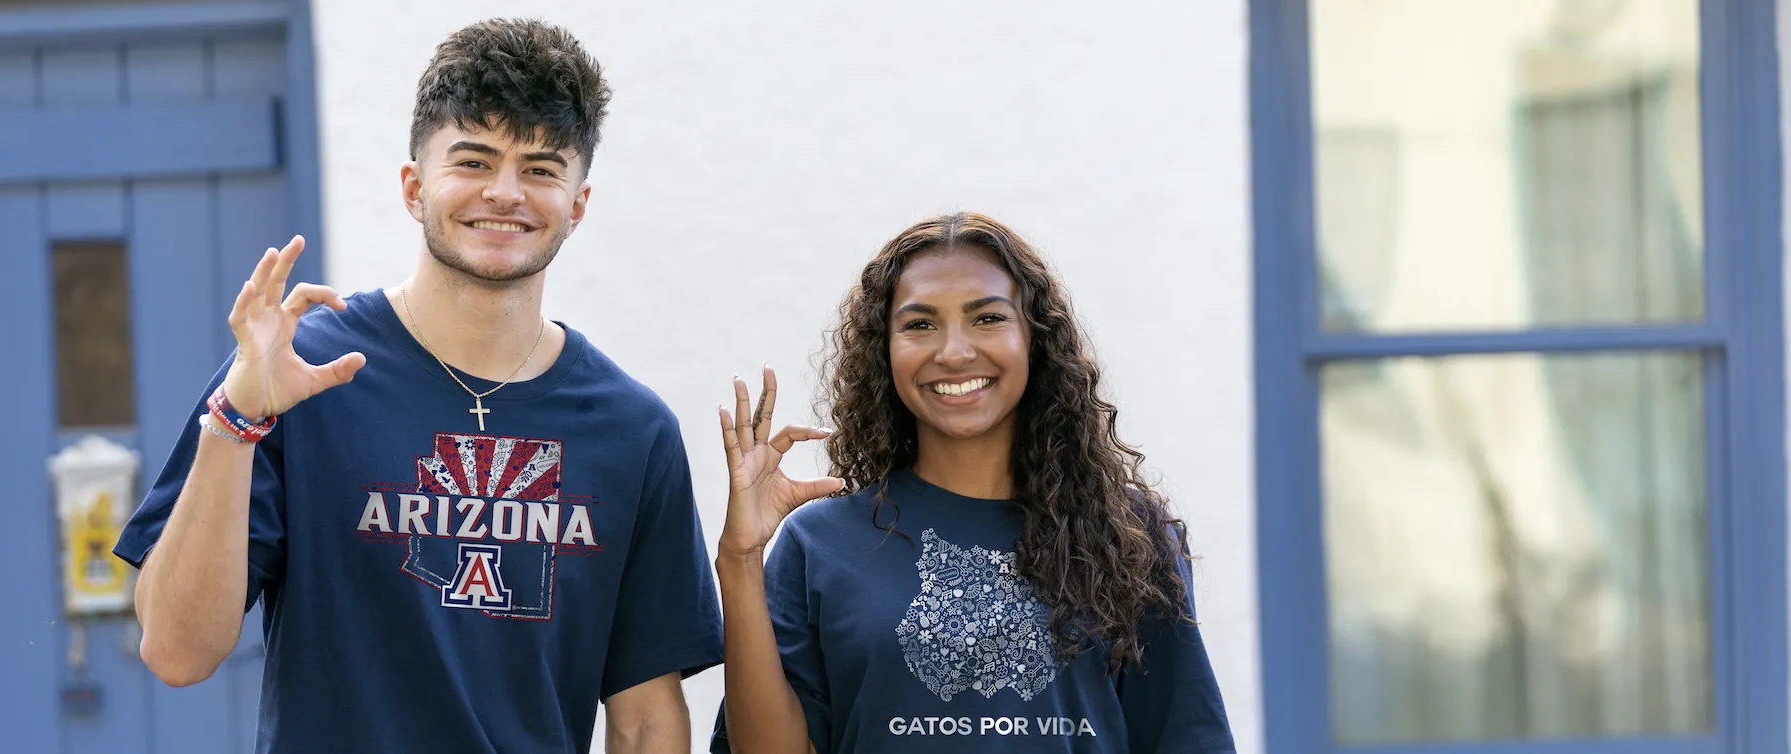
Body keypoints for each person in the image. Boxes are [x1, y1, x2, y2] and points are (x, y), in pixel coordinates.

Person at [114, 18, 720, 753]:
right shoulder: (302, 374)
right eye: (473, 159)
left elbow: (645, 720)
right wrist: (238, 415)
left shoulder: (632, 430)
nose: (505, 193)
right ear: (413, 186)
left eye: (540, 168)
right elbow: (176, 652)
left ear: (577, 204)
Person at [710, 212, 1237, 753]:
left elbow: (1185, 736)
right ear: (883, 351)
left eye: (987, 318)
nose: (955, 352)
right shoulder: (818, 544)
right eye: (919, 324)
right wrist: (740, 560)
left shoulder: (1128, 534)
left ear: (1035, 338)